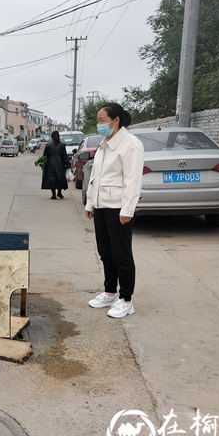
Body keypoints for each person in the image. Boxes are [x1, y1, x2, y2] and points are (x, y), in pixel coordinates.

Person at [85, 102, 144, 318]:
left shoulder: (131, 145)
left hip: (118, 208)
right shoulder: (104, 143)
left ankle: (126, 299)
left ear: (115, 121)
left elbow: (132, 180)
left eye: (102, 121)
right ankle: (110, 292)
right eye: (98, 121)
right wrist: (90, 203)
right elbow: (95, 177)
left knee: (121, 255)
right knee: (106, 253)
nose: (99, 124)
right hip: (101, 206)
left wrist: (127, 209)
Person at [41, 130, 68, 199]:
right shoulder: (62, 145)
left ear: (51, 137)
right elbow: (64, 156)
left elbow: (45, 156)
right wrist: (67, 164)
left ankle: (54, 194)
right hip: (60, 164)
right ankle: (59, 193)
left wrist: (43, 163)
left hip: (50, 164)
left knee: (51, 179)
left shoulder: (48, 145)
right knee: (60, 178)